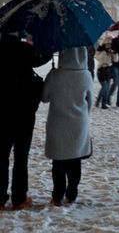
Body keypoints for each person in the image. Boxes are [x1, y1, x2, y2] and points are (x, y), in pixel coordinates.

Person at [41, 46, 93, 206]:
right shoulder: (86, 75)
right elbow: (89, 102)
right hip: (79, 123)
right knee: (75, 161)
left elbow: (44, 98)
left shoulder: (56, 74)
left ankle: (57, 196)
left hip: (57, 123)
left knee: (58, 162)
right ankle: (72, 193)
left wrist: (51, 77)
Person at [0, 34, 47, 210]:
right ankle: (19, 198)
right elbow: (42, 57)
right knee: (21, 157)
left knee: (2, 157)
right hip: (24, 113)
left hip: (3, 113)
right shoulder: (26, 50)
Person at [94, 41, 114, 109]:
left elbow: (116, 60)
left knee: (106, 88)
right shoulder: (101, 52)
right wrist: (104, 52)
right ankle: (102, 103)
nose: (108, 47)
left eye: (109, 45)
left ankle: (100, 102)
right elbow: (98, 58)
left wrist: (114, 53)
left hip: (108, 70)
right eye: (107, 45)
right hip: (101, 70)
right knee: (105, 87)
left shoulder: (111, 52)